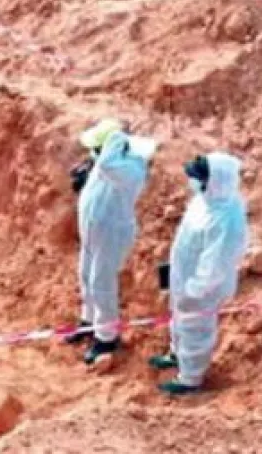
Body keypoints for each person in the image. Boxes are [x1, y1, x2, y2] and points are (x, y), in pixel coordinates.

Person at [150, 152, 250, 395]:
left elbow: (215, 264)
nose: (193, 181)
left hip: (201, 289)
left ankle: (190, 377)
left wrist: (194, 290)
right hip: (184, 275)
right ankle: (177, 354)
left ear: (213, 180)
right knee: (179, 320)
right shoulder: (205, 200)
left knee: (196, 328)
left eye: (198, 177)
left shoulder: (225, 219)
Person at [67, 123, 156, 364]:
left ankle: (106, 337)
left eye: (98, 148)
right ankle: (89, 322)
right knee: (86, 275)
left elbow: (106, 165)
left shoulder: (130, 168)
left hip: (111, 233)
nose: (94, 153)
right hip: (93, 231)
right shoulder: (110, 162)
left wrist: (114, 138)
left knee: (101, 283)